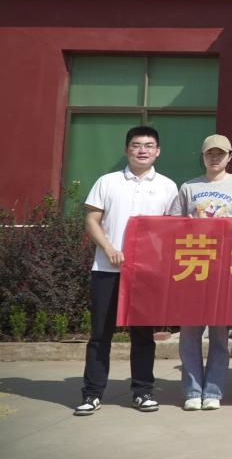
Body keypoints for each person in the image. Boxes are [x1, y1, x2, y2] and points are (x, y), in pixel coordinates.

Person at [75, 126, 178, 416]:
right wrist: (108, 248)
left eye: (149, 145)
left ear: (158, 151)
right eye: (136, 145)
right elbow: (92, 220)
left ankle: (142, 391)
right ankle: (92, 394)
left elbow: (172, 229)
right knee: (100, 334)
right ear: (126, 149)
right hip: (107, 269)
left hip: (146, 274)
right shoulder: (107, 182)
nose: (142, 150)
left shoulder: (168, 186)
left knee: (143, 335)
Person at [169, 134, 232, 411]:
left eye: (220, 154)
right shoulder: (189, 187)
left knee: (219, 336)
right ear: (202, 157)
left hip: (224, 270)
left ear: (230, 157)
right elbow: (173, 225)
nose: (215, 158)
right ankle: (192, 391)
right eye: (209, 154)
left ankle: (213, 391)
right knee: (189, 335)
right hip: (193, 268)